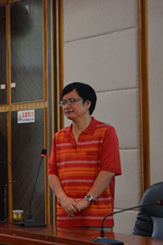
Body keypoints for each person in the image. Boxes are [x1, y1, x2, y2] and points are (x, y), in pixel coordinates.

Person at [48, 82, 122, 229]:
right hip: (66, 215)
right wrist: (63, 199)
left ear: (87, 104)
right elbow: (52, 173)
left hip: (97, 217)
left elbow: (108, 170)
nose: (66, 106)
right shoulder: (59, 136)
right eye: (63, 102)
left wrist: (87, 199)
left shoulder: (106, 132)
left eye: (71, 101)